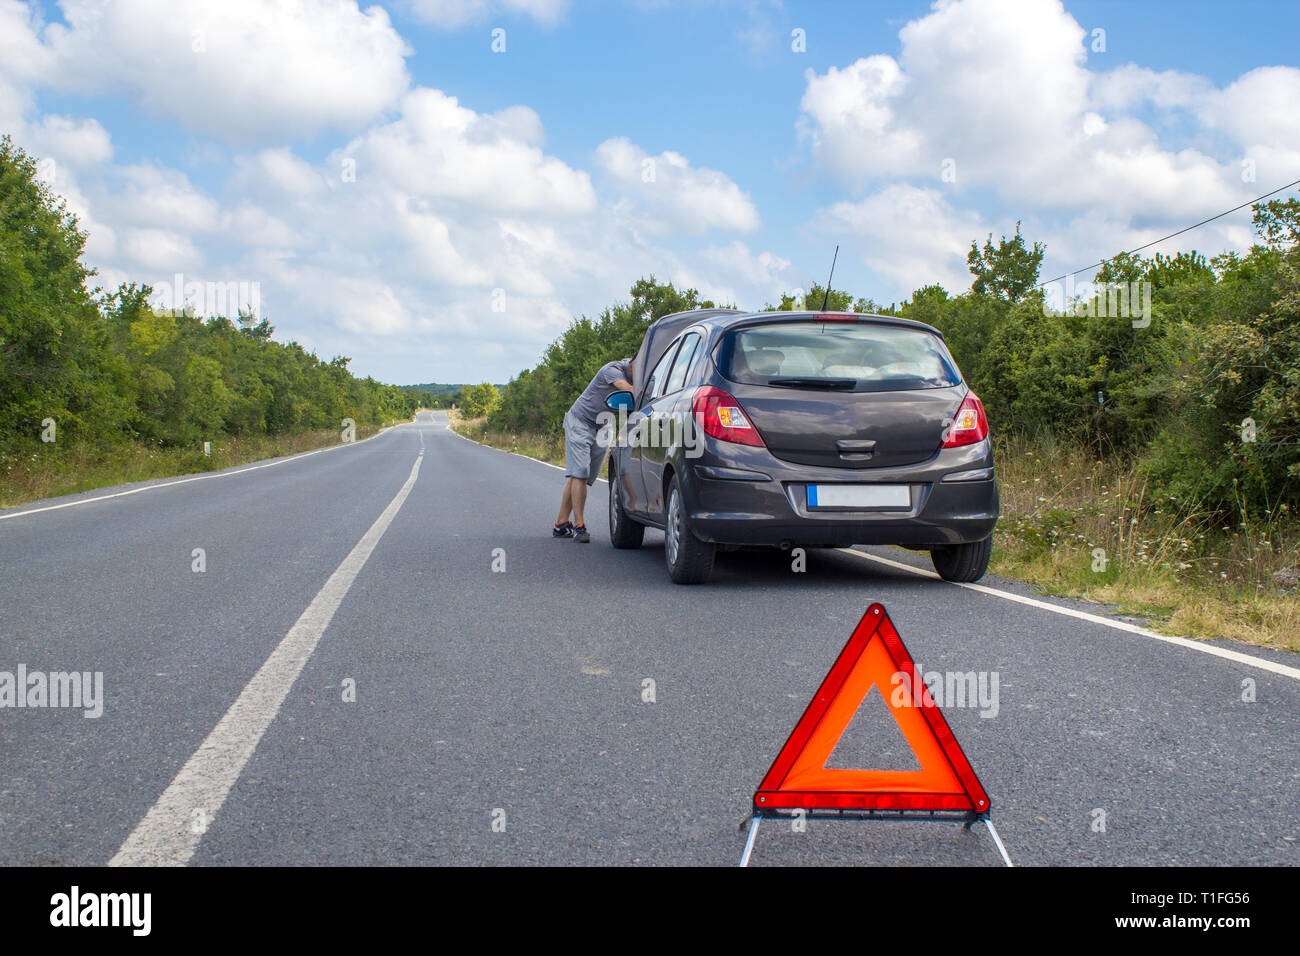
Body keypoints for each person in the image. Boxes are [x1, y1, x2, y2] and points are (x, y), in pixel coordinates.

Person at [554, 358, 633, 543]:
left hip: (603, 426)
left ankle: (560, 524)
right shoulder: (612, 370)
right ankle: (579, 527)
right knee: (580, 472)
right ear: (632, 365)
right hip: (580, 421)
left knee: (582, 476)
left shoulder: (638, 373)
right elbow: (626, 389)